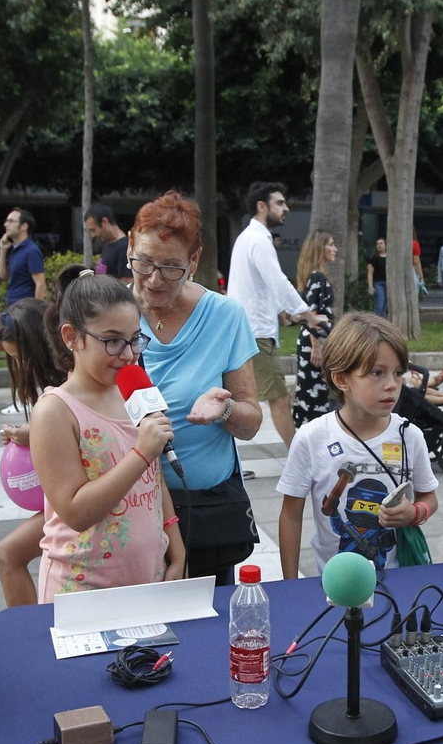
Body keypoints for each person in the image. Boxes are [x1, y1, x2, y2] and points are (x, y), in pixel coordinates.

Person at [132, 192, 264, 584]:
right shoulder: (109, 315)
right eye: (144, 262)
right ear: (128, 245)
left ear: (194, 261)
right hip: (130, 510)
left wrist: (223, 411)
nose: (154, 280)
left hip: (203, 513)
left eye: (171, 267)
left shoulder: (224, 316)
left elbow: (251, 419)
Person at [31, 275, 184, 596]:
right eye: (112, 341)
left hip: (147, 577)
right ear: (72, 337)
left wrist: (176, 545)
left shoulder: (134, 391)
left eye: (135, 340)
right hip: (84, 587)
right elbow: (75, 512)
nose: (128, 355)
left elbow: (154, 475)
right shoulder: (55, 411)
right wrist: (141, 454)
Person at [277, 311, 440, 577]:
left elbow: (428, 497)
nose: (392, 385)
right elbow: (291, 515)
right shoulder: (312, 437)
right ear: (342, 379)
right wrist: (290, 583)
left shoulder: (409, 436)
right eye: (377, 373)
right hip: (334, 586)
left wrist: (414, 512)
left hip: (397, 581)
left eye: (398, 373)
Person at [226, 181, 328, 449]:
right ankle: (301, 458)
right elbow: (277, 281)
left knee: (242, 398)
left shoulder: (248, 238)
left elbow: (258, 286)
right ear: (262, 206)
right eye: (280, 203)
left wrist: (282, 312)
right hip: (255, 334)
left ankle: (228, 458)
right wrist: (308, 315)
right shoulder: (258, 240)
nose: (286, 208)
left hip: (249, 330)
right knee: (279, 399)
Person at [0, 288, 74, 606]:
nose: (19, 366)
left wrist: (39, 432)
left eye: (20, 357)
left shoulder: (70, 383)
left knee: (6, 555)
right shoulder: (53, 387)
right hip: (62, 496)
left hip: (80, 498)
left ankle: (29, 638)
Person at [292, 230, 339, 428]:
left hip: (313, 339)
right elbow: (311, 312)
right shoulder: (317, 277)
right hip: (314, 340)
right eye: (330, 244)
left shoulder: (312, 276)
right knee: (314, 391)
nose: (335, 249)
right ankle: (311, 434)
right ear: (320, 248)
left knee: (311, 389)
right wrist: (316, 346)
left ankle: (307, 431)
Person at [0, 206, 46, 305]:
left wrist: (36, 311)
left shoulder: (31, 251)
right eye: (6, 221)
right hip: (12, 308)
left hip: (25, 310)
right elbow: (3, 276)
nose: (5, 225)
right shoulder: (14, 249)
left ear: (24, 226)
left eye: (11, 221)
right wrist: (3, 250)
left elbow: (40, 284)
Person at [85, 201, 131, 283]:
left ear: (105, 222)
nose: (93, 235)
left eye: (93, 230)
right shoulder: (108, 244)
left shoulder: (124, 248)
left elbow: (127, 282)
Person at [367, 237, 389, 317]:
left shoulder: (389, 258)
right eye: (377, 244)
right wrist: (370, 286)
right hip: (378, 283)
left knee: (384, 306)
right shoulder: (374, 258)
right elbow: (370, 273)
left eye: (381, 243)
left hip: (388, 283)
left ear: (385, 245)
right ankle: (374, 321)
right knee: (379, 305)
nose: (379, 245)